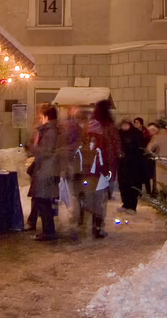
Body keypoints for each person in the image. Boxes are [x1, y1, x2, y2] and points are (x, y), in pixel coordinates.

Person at [74, 99, 118, 239]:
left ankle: (83, 221)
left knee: (88, 196)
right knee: (99, 200)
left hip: (85, 171)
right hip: (100, 171)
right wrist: (111, 172)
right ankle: (97, 228)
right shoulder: (109, 127)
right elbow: (112, 151)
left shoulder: (87, 128)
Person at [29, 105, 62, 241]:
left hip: (46, 170)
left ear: (46, 117)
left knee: (43, 201)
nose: (40, 118)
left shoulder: (50, 132)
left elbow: (47, 152)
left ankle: (48, 232)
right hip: (46, 169)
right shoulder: (51, 131)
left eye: (41, 116)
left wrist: (33, 149)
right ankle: (48, 230)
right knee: (43, 200)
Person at [116, 120, 146, 212]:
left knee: (132, 185)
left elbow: (140, 149)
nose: (124, 127)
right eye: (122, 125)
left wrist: (129, 152)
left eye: (125, 125)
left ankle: (132, 206)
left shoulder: (136, 134)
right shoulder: (119, 133)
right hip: (122, 164)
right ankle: (125, 204)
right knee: (123, 185)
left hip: (133, 165)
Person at [145, 121, 167, 191]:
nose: (149, 133)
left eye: (150, 131)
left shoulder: (156, 137)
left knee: (163, 185)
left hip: (162, 163)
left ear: (154, 129)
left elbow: (148, 149)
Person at [132, 117, 154, 196]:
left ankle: (148, 192)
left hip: (146, 156)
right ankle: (139, 192)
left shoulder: (146, 132)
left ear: (141, 123)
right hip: (137, 157)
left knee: (146, 175)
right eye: (135, 122)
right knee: (138, 175)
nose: (135, 124)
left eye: (137, 122)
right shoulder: (133, 133)